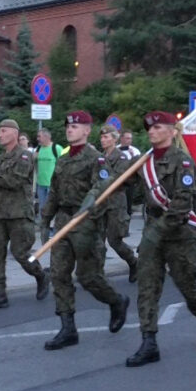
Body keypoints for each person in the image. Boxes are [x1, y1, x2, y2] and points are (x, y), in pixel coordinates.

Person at [125, 111, 196, 367]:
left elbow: (181, 204)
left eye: (158, 128)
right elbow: (116, 180)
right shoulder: (144, 161)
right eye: (149, 129)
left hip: (179, 233)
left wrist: (156, 232)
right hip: (153, 230)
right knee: (147, 286)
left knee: (187, 285)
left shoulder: (183, 162)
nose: (152, 132)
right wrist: (94, 200)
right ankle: (149, 342)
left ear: (172, 131)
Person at [40, 112, 131, 350]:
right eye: (68, 125)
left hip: (86, 223)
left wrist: (90, 221)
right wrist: (45, 219)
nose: (70, 129)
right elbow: (54, 192)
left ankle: (116, 301)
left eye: (75, 126)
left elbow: (102, 191)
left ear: (87, 130)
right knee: (59, 274)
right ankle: (68, 328)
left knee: (88, 277)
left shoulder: (96, 159)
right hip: (63, 220)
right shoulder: (63, 159)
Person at [0, 118, 50, 311]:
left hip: (19, 214)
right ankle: (0, 294)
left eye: (3, 131)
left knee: (21, 254)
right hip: (1, 214)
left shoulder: (25, 156)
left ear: (14, 134)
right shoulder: (1, 157)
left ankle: (41, 275)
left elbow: (14, 181)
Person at [96, 124, 138, 282]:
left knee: (115, 241)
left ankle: (133, 262)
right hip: (101, 204)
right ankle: (98, 273)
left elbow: (119, 179)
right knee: (98, 241)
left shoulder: (120, 157)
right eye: (101, 137)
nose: (103, 140)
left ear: (114, 139)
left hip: (115, 204)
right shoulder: (100, 157)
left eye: (106, 137)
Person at [35, 128, 61, 243]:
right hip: (41, 184)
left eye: (39, 136)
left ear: (46, 137)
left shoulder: (57, 148)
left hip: (53, 185)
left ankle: (54, 230)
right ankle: (45, 230)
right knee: (42, 208)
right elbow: (33, 163)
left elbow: (63, 165)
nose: (38, 139)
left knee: (53, 208)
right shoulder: (38, 149)